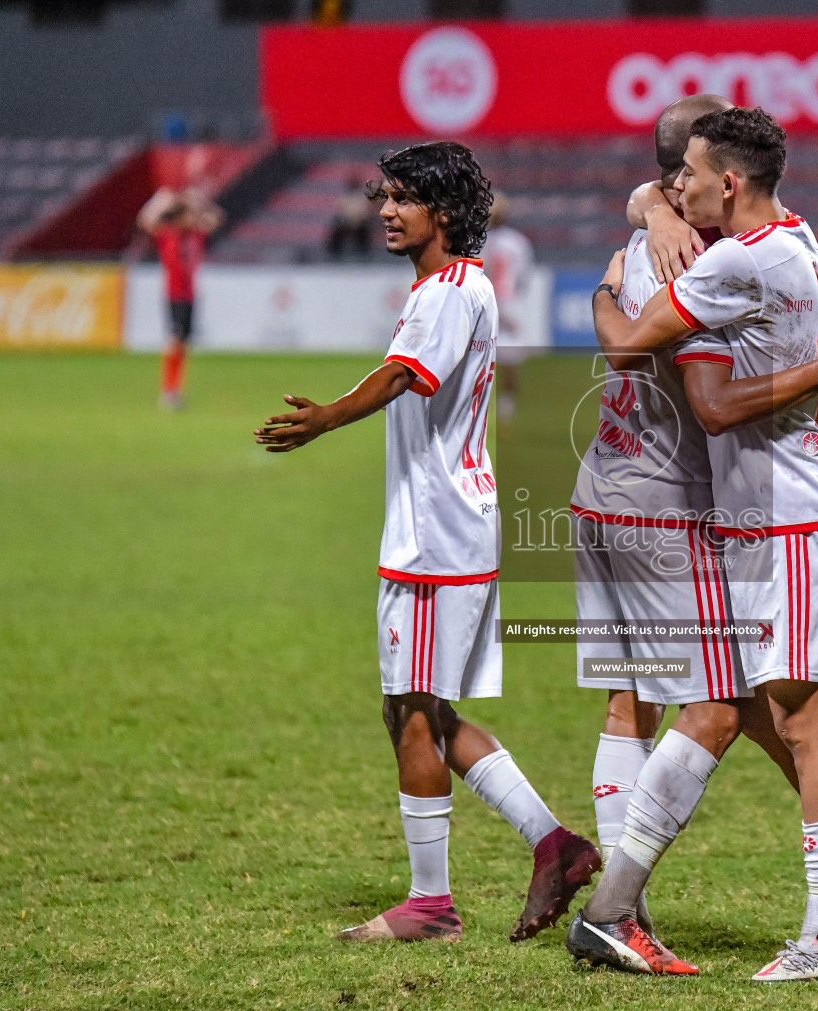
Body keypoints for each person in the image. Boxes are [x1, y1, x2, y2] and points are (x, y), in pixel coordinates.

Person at [565, 107, 818, 983]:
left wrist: (606, 285)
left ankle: (815, 924)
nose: (673, 189)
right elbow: (655, 204)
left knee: (756, 711)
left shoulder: (721, 260)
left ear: (722, 181)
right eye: (673, 178)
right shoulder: (788, 239)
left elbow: (697, 391)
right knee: (755, 709)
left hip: (725, 509)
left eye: (684, 178)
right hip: (709, 509)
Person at [253, 142, 600, 945]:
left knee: (413, 711)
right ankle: (555, 843)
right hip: (452, 524)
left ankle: (431, 905)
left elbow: (406, 374)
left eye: (402, 197)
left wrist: (326, 419)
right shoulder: (462, 284)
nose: (384, 210)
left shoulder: (447, 293)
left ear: (442, 211)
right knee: (419, 707)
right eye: (384, 195)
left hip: (437, 534)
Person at [138, 187, 221, 411]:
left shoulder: (195, 235)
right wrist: (159, 201)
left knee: (182, 344)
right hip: (174, 296)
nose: (193, 218)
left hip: (190, 295)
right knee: (175, 342)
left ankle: (174, 390)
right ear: (180, 217)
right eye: (189, 215)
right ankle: (168, 391)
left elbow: (216, 219)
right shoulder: (168, 235)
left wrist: (201, 202)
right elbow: (145, 220)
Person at [481, 194, 534, 422]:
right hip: (509, 303)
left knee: (477, 356)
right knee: (508, 361)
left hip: (485, 303)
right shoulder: (518, 241)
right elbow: (524, 275)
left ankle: (482, 409)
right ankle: (506, 409)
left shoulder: (479, 240)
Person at [327, 175, 373, 259]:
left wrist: (356, 222)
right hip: (346, 224)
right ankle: (334, 256)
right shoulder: (345, 197)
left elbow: (365, 213)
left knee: (365, 232)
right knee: (336, 232)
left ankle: (364, 256)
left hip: (359, 224)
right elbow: (340, 212)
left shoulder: (362, 198)